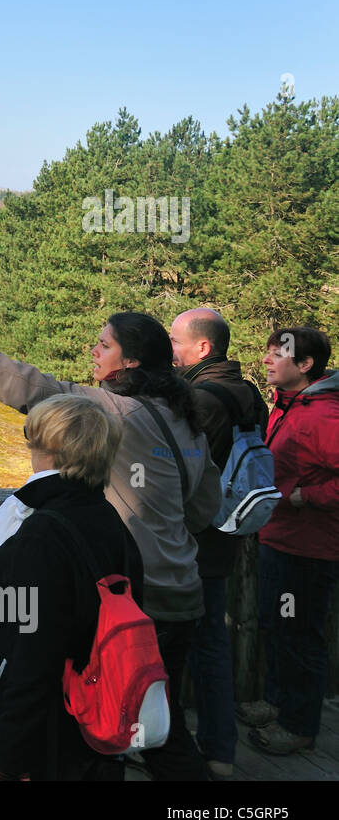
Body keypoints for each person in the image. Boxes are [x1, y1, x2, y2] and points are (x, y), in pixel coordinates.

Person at [0, 311, 220, 781]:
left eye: (105, 345)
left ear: (129, 362)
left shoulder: (112, 411)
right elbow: (204, 506)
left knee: (146, 732)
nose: (95, 351)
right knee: (151, 717)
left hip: (132, 600)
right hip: (184, 595)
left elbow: (32, 387)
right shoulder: (184, 419)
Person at [0, 394, 145, 780]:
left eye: (33, 440)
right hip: (99, 713)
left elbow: (29, 656)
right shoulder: (112, 523)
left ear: (48, 451)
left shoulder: (41, 534)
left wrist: (11, 760)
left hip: (49, 735)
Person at [169, 307, 268, 778]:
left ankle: (169, 748)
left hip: (191, 542)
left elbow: (177, 475)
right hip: (226, 536)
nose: (170, 350)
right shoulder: (249, 393)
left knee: (175, 646)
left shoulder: (200, 400)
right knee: (212, 645)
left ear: (202, 348)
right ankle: (220, 752)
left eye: (174, 341)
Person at [243, 327, 339, 755]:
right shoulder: (291, 405)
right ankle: (278, 702)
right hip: (280, 540)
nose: (267, 360)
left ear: (305, 366)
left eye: (277, 354)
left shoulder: (323, 416)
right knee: (277, 626)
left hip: (307, 550)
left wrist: (307, 496)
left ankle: (298, 725)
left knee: (298, 635)